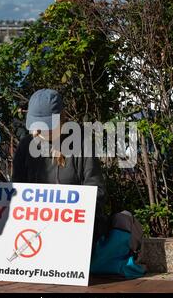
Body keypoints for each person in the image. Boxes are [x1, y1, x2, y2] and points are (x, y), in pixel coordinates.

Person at [12, 89, 108, 248]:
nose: (41, 130)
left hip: (74, 231)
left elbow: (97, 191)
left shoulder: (81, 144)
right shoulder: (26, 145)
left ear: (61, 119)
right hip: (33, 229)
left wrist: (67, 213)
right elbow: (15, 190)